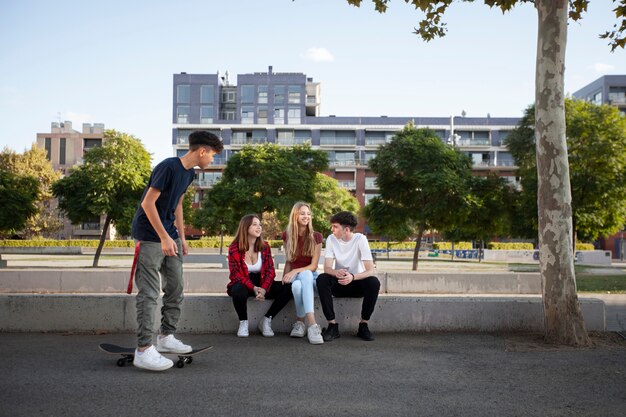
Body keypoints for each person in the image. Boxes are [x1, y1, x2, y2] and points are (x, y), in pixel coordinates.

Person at [130, 130, 223, 371]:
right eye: (212, 155)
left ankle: (165, 337)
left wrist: (180, 237)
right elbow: (147, 203)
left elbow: (178, 205)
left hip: (168, 235)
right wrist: (163, 237)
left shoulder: (189, 174)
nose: (212, 159)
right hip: (149, 234)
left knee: (176, 287)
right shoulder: (168, 167)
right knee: (150, 293)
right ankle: (143, 350)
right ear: (202, 151)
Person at [316, 211, 380, 342]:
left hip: (356, 283)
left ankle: (363, 325)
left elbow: (370, 270)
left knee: (374, 282)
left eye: (335, 226)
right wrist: (336, 272)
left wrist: (352, 277)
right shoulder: (331, 239)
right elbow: (327, 268)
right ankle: (332, 326)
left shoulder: (360, 239)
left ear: (346, 229)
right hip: (339, 283)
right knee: (322, 279)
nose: (331, 229)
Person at [227, 214, 293, 338]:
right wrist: (253, 288)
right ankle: (243, 322)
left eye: (260, 225)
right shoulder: (234, 248)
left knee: (289, 288)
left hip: (262, 282)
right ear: (245, 227)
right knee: (237, 290)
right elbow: (236, 275)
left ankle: (267, 320)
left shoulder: (264, 247)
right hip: (244, 283)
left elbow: (270, 271)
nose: (259, 227)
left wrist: (263, 288)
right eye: (254, 224)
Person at [281, 202, 324, 344]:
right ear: (295, 215)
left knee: (299, 284)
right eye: (302, 213)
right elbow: (289, 260)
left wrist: (294, 270)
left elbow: (313, 266)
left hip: (310, 276)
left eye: (308, 213)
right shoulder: (286, 236)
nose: (306, 216)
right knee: (295, 284)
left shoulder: (316, 237)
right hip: (295, 276)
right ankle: (310, 326)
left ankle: (305, 323)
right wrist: (284, 277)